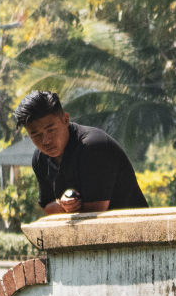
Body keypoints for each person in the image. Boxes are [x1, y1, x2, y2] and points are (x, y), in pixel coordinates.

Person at [19, 91, 149, 214]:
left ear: (66, 120)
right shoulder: (40, 158)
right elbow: (47, 206)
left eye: (51, 130)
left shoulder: (93, 147)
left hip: (136, 228)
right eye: (35, 135)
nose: (45, 141)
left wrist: (63, 208)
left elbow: (93, 215)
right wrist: (62, 204)